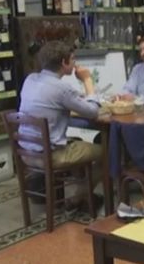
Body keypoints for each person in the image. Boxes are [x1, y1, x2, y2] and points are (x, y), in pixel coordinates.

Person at [18, 41, 102, 204]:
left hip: (26, 152)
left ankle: (83, 195)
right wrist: (87, 80)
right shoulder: (62, 88)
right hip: (50, 155)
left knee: (77, 144)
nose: (75, 63)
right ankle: (79, 197)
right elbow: (93, 112)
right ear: (64, 62)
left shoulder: (30, 79)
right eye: (73, 59)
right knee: (108, 151)